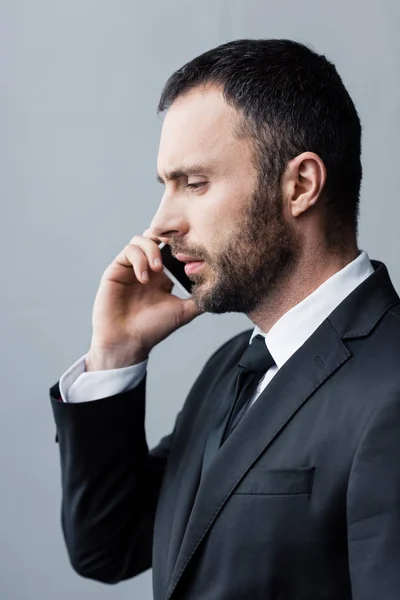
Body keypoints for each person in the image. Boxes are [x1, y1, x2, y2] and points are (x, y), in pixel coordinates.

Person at [49, 39, 400, 599]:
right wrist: (115, 356)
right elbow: (107, 547)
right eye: (165, 187)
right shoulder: (231, 367)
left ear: (301, 185)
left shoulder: (391, 387)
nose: (160, 223)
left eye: (193, 183)